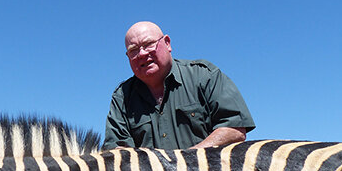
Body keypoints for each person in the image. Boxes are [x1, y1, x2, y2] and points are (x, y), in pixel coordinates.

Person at [103, 21, 255, 150]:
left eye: (148, 44)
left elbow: (235, 130)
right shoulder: (122, 97)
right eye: (133, 50)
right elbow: (117, 153)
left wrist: (182, 163)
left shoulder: (204, 75)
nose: (142, 54)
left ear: (167, 43)